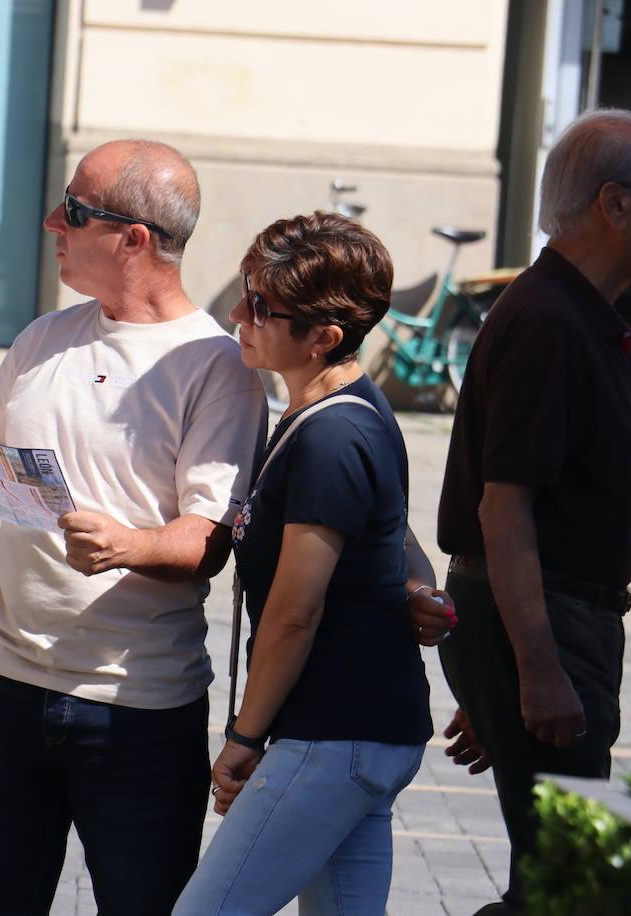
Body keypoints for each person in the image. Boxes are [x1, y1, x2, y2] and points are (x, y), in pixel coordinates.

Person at [0, 140, 267, 915]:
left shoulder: (215, 365)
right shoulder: (44, 339)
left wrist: (131, 546)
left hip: (136, 706)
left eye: (72, 210)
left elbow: (208, 540)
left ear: (133, 238)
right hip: (5, 687)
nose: (52, 223)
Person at [434, 108, 631, 915]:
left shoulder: (581, 313)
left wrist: (513, 665)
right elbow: (505, 510)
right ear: (615, 203)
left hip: (543, 622)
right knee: (568, 882)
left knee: (554, 877)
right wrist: (535, 668)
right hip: (548, 621)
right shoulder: (550, 319)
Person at [172, 212, 440, 915]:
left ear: (324, 338)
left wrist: (243, 736)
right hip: (366, 729)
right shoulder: (345, 410)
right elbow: (393, 532)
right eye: (244, 292)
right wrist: (418, 582)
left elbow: (295, 613)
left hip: (333, 732)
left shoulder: (332, 437)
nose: (237, 313)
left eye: (260, 306)